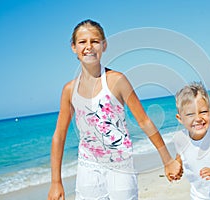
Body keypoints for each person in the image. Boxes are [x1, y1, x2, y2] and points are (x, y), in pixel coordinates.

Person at [47, 19, 182, 200]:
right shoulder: (69, 90)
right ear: (74, 47)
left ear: (104, 45)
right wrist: (56, 182)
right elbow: (59, 135)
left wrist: (167, 160)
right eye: (82, 42)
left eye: (95, 41)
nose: (89, 46)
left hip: (121, 166)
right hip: (88, 167)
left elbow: (144, 121)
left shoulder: (117, 80)